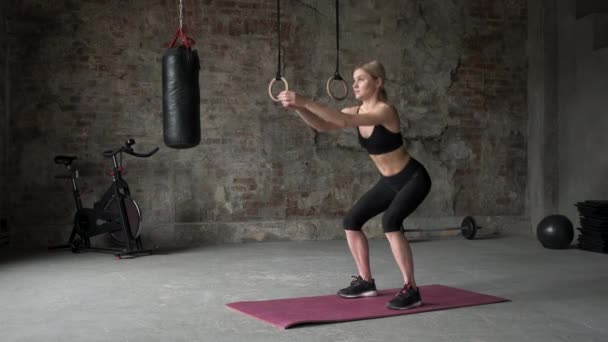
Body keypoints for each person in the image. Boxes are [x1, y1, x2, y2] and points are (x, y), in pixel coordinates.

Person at [277, 60, 432, 310]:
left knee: (390, 222)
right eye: (354, 80)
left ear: (378, 82)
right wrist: (298, 107)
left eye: (360, 79)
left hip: (413, 179)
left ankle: (411, 289)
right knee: (352, 221)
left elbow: (344, 121)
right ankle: (366, 282)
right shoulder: (355, 111)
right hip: (389, 182)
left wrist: (305, 100)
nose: (354, 84)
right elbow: (324, 125)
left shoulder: (385, 111)